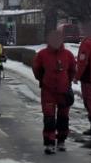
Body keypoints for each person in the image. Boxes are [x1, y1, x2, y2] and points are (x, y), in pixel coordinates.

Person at [32, 25, 76, 155]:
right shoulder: (42, 54)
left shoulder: (68, 55)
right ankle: (49, 142)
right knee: (49, 118)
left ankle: (61, 140)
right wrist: (43, 80)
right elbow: (37, 70)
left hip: (63, 91)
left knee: (63, 118)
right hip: (48, 91)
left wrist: (67, 82)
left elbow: (72, 70)